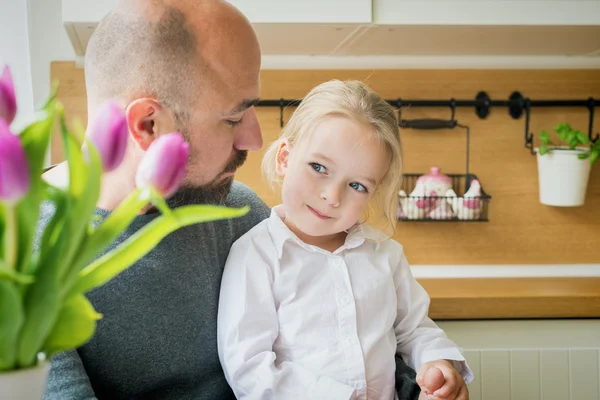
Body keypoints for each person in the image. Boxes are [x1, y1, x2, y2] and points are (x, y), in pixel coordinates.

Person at [40, 1, 423, 399]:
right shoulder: (22, 259)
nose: (255, 140)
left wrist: (423, 381)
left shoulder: (236, 212)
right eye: (233, 118)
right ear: (147, 125)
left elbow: (348, 343)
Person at [217, 80, 473, 400]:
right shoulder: (255, 255)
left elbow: (414, 330)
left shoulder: (385, 255)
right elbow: (249, 369)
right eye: (319, 167)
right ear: (285, 159)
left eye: (357, 185)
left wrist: (439, 364)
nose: (332, 196)